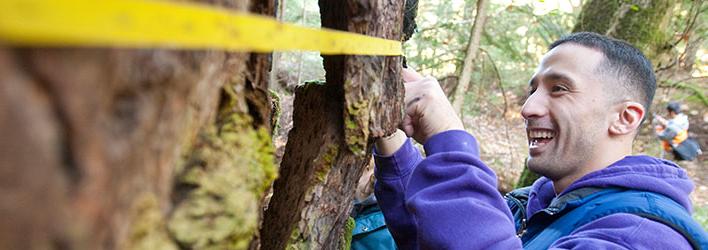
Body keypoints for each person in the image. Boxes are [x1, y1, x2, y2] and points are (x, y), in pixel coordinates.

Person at [373, 32, 707, 249]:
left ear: (624, 118)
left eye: (559, 88)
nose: (528, 108)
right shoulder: (534, 207)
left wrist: (448, 141)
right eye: (533, 90)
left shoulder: (642, 238)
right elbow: (429, 235)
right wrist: (392, 137)